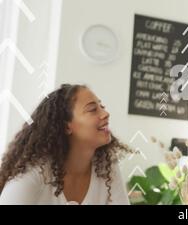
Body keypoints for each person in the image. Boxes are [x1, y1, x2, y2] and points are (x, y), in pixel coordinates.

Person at [0, 84, 132, 204]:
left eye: (102, 107)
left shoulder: (106, 166)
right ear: (66, 126)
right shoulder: (35, 172)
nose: (105, 114)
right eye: (92, 109)